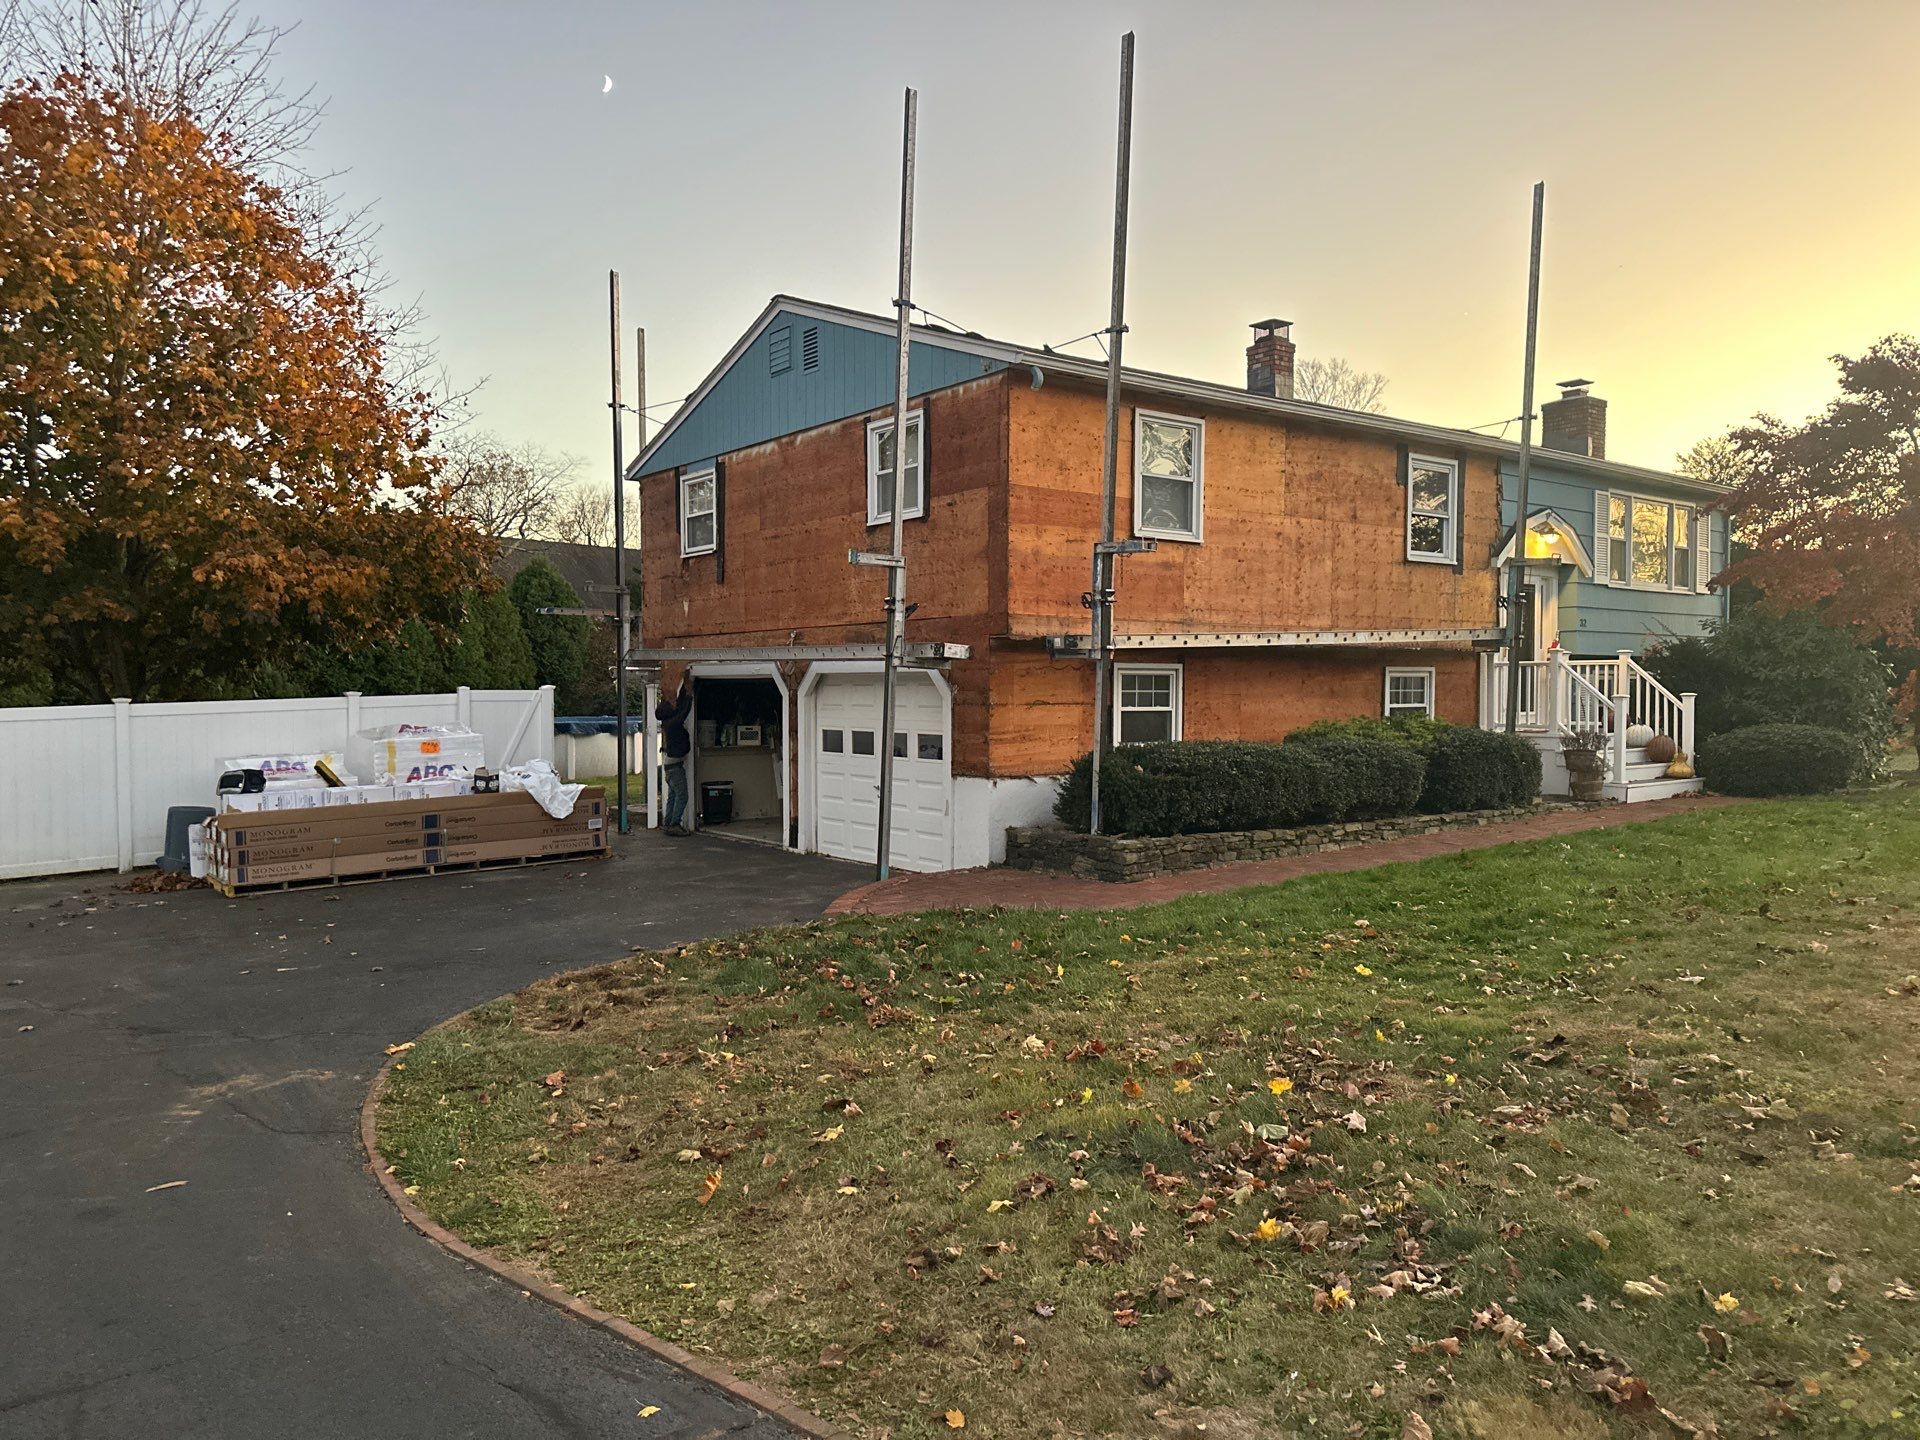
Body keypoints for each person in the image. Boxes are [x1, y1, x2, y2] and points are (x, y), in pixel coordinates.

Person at [656, 680, 694, 835]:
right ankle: (674, 824)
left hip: (670, 765)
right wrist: (689, 695)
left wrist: (684, 689)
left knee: (673, 795)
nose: (673, 706)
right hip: (675, 766)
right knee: (682, 796)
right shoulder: (673, 723)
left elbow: (679, 709)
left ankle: (668, 822)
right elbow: (683, 711)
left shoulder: (668, 722)